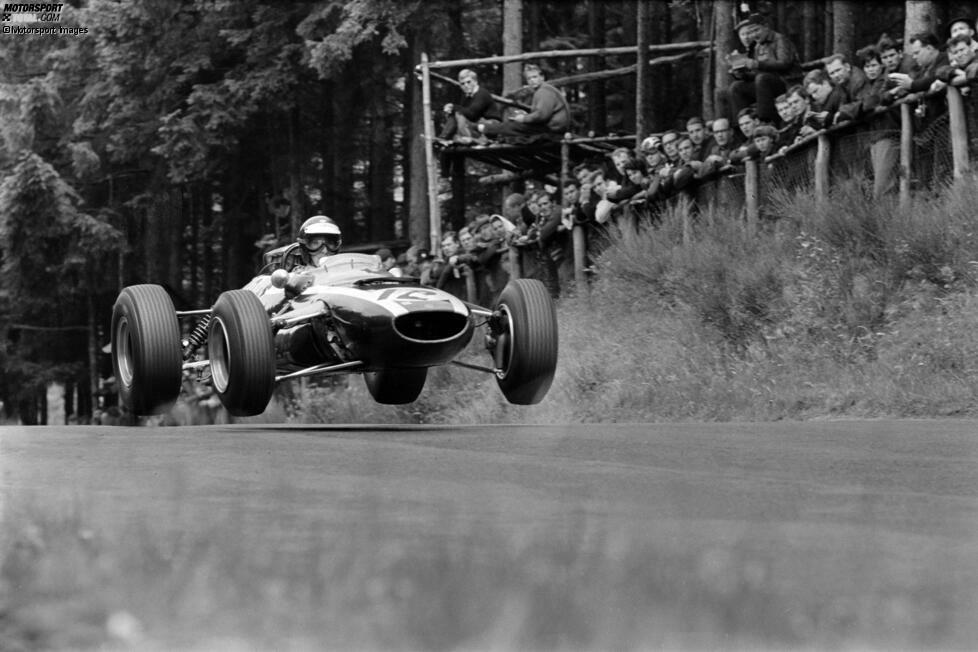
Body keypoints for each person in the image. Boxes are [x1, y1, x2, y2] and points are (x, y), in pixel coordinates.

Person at [722, 12, 800, 125]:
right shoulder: (758, 46)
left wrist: (757, 64)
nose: (754, 35)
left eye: (756, 30)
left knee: (762, 78)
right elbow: (756, 73)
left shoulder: (779, 39)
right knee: (736, 87)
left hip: (786, 82)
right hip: (766, 85)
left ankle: (765, 121)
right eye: (751, 32)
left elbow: (784, 63)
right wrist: (741, 74)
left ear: (766, 27)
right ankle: (742, 123)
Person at [480, 64, 570, 143]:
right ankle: (489, 131)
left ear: (542, 77)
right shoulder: (543, 90)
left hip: (553, 130)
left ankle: (485, 129)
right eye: (529, 78)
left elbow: (541, 115)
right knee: (514, 126)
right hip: (551, 127)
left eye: (534, 77)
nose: (532, 81)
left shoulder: (544, 91)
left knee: (513, 126)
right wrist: (526, 116)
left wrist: (524, 119)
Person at [439, 68, 502, 143]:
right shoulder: (466, 97)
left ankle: (465, 140)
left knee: (458, 113)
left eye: (468, 82)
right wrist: (451, 111)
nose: (466, 85)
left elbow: (472, 114)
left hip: (491, 125)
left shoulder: (482, 94)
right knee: (457, 113)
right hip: (477, 124)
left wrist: (454, 107)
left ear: (475, 82)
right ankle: (443, 137)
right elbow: (463, 112)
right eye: (462, 84)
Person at [278, 215, 343, 271]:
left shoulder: (345, 272)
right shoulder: (298, 276)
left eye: (330, 243)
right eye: (315, 243)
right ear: (305, 248)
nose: (324, 250)